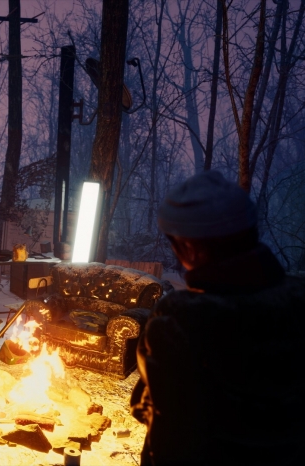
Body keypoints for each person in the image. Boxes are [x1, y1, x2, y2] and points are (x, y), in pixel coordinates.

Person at [130, 170, 305, 466]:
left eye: (175, 244)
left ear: (189, 246)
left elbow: (168, 434)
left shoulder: (180, 318)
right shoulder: (298, 299)